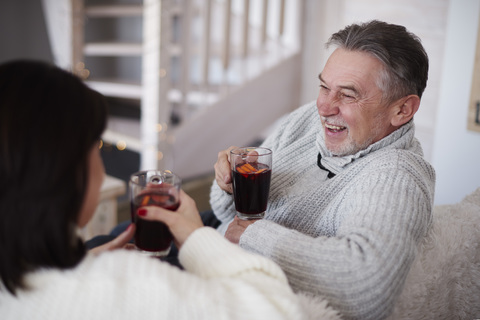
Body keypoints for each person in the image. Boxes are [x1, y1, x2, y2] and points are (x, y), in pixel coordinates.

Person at [0, 60, 341, 320]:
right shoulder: (128, 286)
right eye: (96, 146)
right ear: (62, 170)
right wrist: (196, 238)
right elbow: (278, 311)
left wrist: (78, 263)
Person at [210, 20, 436, 320]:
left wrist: (255, 236)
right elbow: (227, 218)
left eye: (348, 94)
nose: (324, 107)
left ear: (402, 110)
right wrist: (229, 184)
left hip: (237, 287)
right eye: (324, 87)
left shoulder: (396, 174)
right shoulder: (307, 119)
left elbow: (366, 288)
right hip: (212, 249)